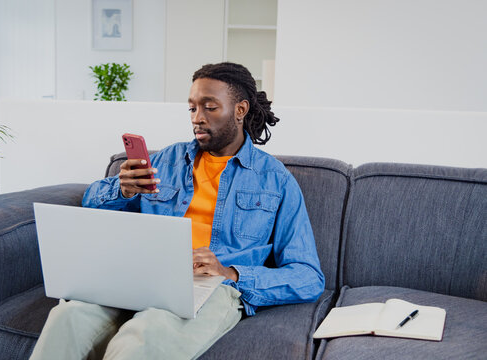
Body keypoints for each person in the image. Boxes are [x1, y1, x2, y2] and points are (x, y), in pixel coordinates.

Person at [30, 62, 324, 360]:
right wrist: (123, 189)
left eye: (209, 107)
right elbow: (90, 201)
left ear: (240, 109)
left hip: (211, 287)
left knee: (143, 337)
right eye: (192, 108)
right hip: (142, 274)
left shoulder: (275, 180)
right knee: (67, 318)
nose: (197, 118)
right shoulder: (165, 161)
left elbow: (308, 276)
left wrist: (232, 273)